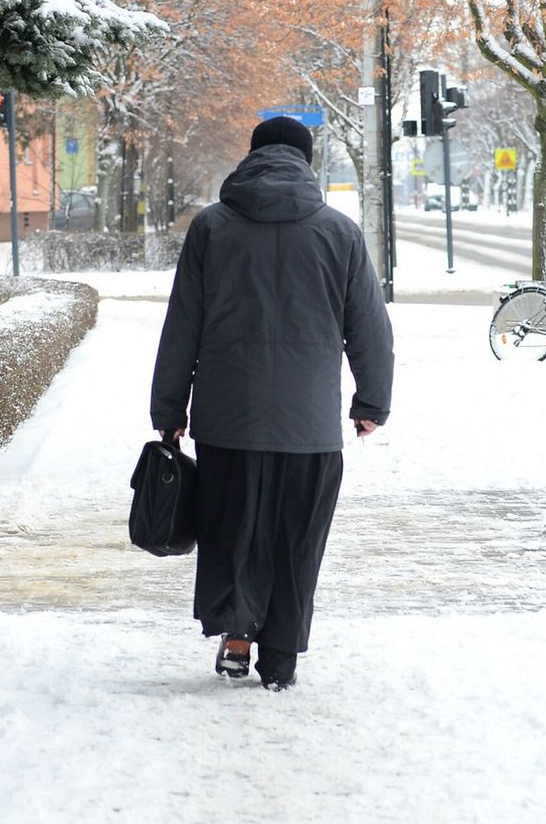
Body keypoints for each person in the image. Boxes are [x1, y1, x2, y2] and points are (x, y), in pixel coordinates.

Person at [150, 116, 393, 691]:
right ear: (307, 163)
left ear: (251, 156)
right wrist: (371, 401)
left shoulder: (211, 227)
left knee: (234, 530)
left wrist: (168, 410)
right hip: (307, 425)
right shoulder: (340, 232)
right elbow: (370, 329)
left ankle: (237, 637)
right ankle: (279, 658)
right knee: (296, 539)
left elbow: (181, 324)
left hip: (226, 419)